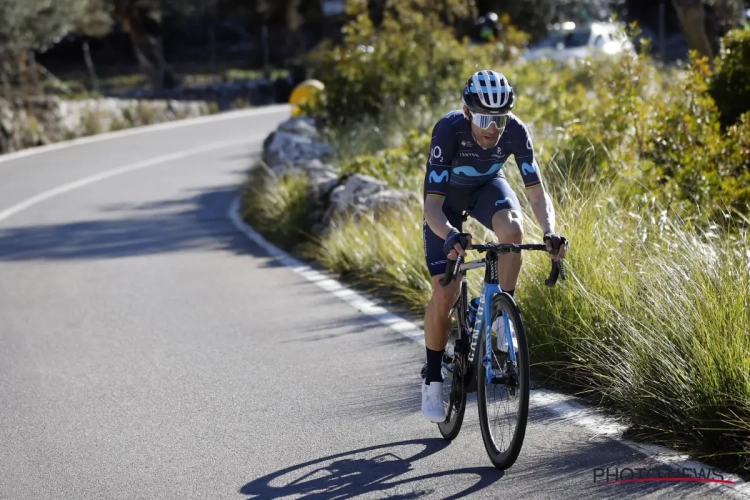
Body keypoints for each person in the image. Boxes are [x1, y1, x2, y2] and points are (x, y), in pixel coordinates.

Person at [420, 69, 569, 422]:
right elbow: (432, 207)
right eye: (485, 118)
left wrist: (550, 230)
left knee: (513, 231)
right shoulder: (448, 130)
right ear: (468, 111)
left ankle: (502, 312)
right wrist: (450, 235)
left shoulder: (514, 130)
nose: (493, 129)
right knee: (445, 293)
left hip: (488, 188)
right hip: (448, 203)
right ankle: (432, 377)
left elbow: (535, 190)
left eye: (499, 119)